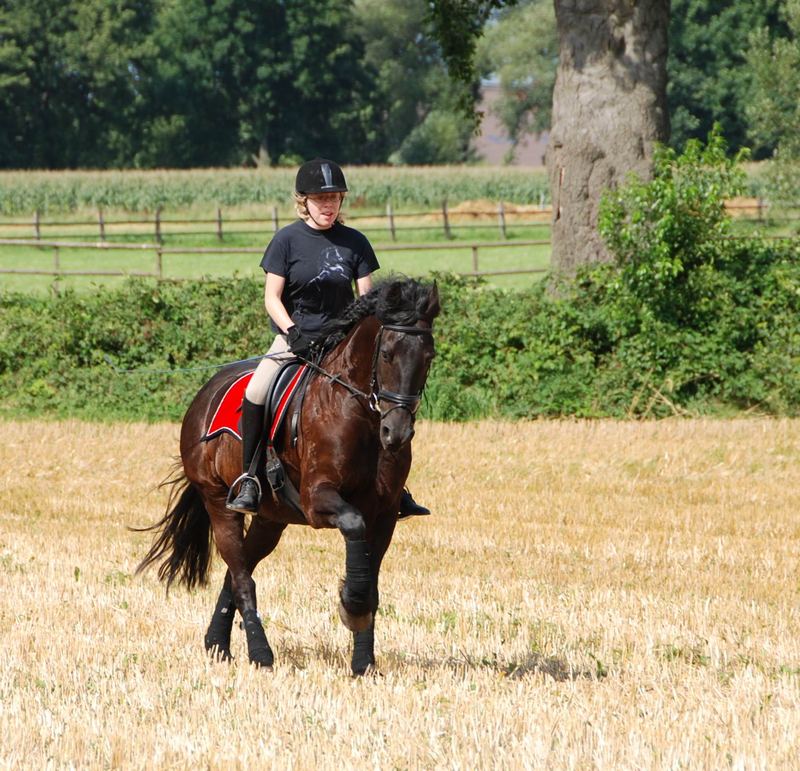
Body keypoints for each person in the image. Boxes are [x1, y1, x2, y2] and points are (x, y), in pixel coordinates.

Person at [226, 158, 430, 520]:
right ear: (303, 201)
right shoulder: (286, 240)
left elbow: (369, 301)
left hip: (343, 344)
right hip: (295, 339)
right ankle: (249, 478)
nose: (328, 205)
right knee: (257, 390)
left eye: (334, 198)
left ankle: (396, 488)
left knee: (381, 401)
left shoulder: (355, 243)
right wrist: (292, 332)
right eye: (321, 199)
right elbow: (271, 298)